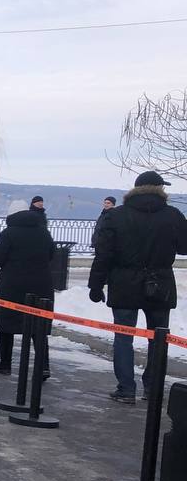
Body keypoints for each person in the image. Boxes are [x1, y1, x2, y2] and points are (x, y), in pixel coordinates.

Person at [88, 170, 187, 403]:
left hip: (124, 283)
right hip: (160, 282)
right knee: (159, 338)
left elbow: (104, 254)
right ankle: (152, 388)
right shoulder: (173, 215)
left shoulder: (117, 216)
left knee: (124, 336)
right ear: (159, 189)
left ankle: (126, 388)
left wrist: (96, 285)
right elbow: (184, 247)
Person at [0, 207, 55, 377]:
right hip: (41, 285)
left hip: (13, 285)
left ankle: (5, 363)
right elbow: (52, 254)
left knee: (7, 323)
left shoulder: (8, 233)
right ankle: (43, 366)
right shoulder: (44, 233)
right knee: (38, 326)